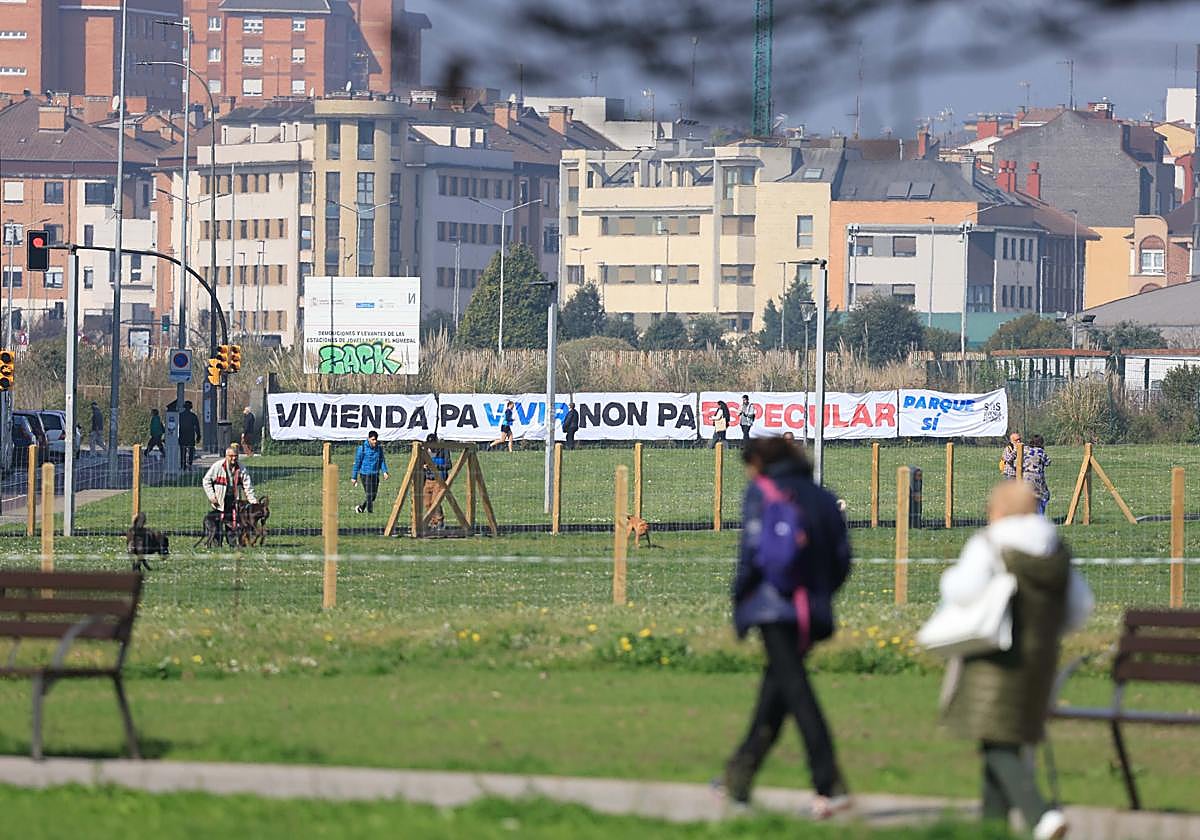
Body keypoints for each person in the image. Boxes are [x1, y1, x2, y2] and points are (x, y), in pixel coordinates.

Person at [938, 481, 1093, 840]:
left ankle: (1040, 815)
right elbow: (1080, 608)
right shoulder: (1057, 550)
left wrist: (948, 581)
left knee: (992, 737)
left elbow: (963, 589)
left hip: (994, 655)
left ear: (999, 510)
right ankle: (993, 829)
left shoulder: (991, 545)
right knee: (1007, 737)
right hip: (1040, 658)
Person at [718, 437, 853, 819]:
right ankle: (736, 780)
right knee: (775, 693)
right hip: (811, 609)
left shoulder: (762, 491)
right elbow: (842, 558)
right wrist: (820, 595)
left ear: (760, 462)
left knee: (795, 692)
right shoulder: (824, 497)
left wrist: (740, 600)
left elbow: (752, 553)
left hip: (772, 607)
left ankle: (829, 783)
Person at [202, 444, 258, 538]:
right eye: (231, 456)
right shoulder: (218, 466)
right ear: (226, 456)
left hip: (233, 500)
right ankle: (216, 545)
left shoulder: (241, 468)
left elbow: (248, 485)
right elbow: (206, 480)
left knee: (232, 522)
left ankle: (232, 544)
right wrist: (212, 497)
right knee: (217, 523)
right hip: (219, 500)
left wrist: (253, 502)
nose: (233, 458)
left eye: (236, 456)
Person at [351, 430, 389, 514]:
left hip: (375, 474)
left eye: (376, 439)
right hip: (365, 474)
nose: (375, 441)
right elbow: (357, 463)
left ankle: (361, 508)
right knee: (369, 494)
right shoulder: (362, 449)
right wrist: (354, 477)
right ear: (368, 439)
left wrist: (385, 471)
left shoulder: (379, 448)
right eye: (373, 439)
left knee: (373, 496)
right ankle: (370, 512)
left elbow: (382, 460)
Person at [423, 433, 451, 528]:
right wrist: (423, 466)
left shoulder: (444, 451)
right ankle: (432, 521)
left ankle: (439, 520)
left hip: (439, 479)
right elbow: (420, 464)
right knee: (427, 503)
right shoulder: (425, 452)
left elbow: (448, 465)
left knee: (435, 501)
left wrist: (436, 467)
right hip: (428, 479)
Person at [1022, 434, 1051, 515]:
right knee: (1043, 496)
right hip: (1037, 477)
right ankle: (1040, 515)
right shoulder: (1041, 452)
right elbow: (1048, 462)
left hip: (1026, 477)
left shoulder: (1025, 450)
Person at [179, 401, 200, 470]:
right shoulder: (193, 416)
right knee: (191, 450)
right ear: (191, 407)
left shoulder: (180, 415)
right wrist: (198, 436)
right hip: (190, 436)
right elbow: (197, 427)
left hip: (182, 435)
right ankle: (190, 464)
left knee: (183, 451)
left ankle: (183, 465)